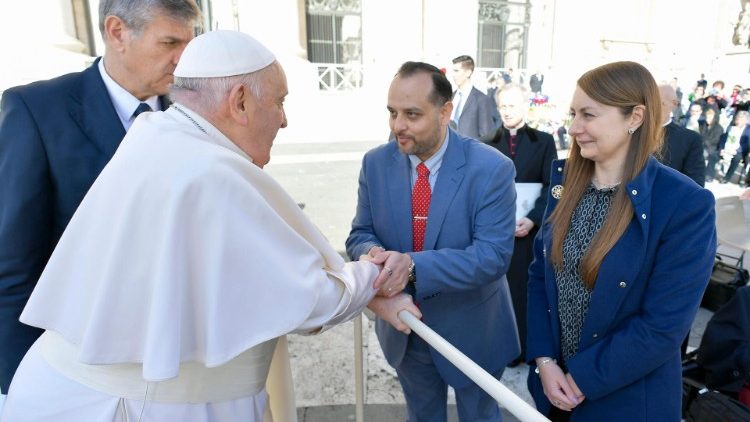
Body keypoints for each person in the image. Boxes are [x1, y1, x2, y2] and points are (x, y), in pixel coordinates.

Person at [1, 30, 419, 421]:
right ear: (239, 101)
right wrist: (373, 276)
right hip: (127, 406)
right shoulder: (206, 170)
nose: (284, 120)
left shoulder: (159, 134)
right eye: (278, 102)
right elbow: (304, 296)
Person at [0, 0, 201, 398]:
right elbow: (12, 264)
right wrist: (19, 384)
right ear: (117, 32)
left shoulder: (195, 114)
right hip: (72, 367)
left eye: (188, 45)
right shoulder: (37, 110)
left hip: (178, 369)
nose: (182, 60)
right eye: (168, 43)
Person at [526, 61, 716, 421]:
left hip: (626, 403)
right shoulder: (566, 183)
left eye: (589, 115)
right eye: (573, 114)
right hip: (555, 394)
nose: (575, 127)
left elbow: (663, 326)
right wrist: (545, 361)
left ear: (635, 117)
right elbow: (540, 277)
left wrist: (580, 377)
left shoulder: (684, 203)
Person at [346, 61, 519, 422]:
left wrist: (410, 267)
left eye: (411, 114)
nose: (397, 126)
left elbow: (492, 257)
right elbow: (360, 233)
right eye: (392, 113)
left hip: (475, 329)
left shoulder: (491, 168)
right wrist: (373, 255)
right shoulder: (375, 163)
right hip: (407, 332)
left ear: (444, 112)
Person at [484, 83, 557, 366]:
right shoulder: (486, 142)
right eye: (503, 106)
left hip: (530, 233)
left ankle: (526, 348)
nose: (507, 111)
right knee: (495, 293)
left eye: (512, 105)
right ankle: (499, 347)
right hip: (496, 234)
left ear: (525, 107)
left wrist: (534, 219)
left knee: (526, 292)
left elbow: (554, 186)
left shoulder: (544, 141)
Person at [658, 83, 706, 186]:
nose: (650, 106)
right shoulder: (631, 130)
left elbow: (694, 186)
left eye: (660, 102)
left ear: (674, 104)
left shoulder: (690, 139)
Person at [449, 55, 496, 141]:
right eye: (453, 71)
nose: (453, 75)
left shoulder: (481, 99)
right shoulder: (450, 97)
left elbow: (486, 134)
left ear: (468, 73)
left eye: (456, 71)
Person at [718, 110, 750, 184]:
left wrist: (737, 150)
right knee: (714, 154)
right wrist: (722, 148)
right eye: (738, 118)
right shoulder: (731, 126)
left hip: (740, 151)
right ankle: (711, 174)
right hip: (727, 148)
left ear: (746, 121)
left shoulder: (748, 130)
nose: (739, 121)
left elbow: (746, 145)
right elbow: (724, 138)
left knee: (736, 158)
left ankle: (726, 178)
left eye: (742, 119)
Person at [702, 106, 725, 182]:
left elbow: (716, 140)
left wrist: (704, 141)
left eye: (710, 118)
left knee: (712, 156)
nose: (707, 119)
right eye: (707, 117)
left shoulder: (719, 128)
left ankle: (709, 175)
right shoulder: (704, 125)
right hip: (704, 146)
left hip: (714, 148)